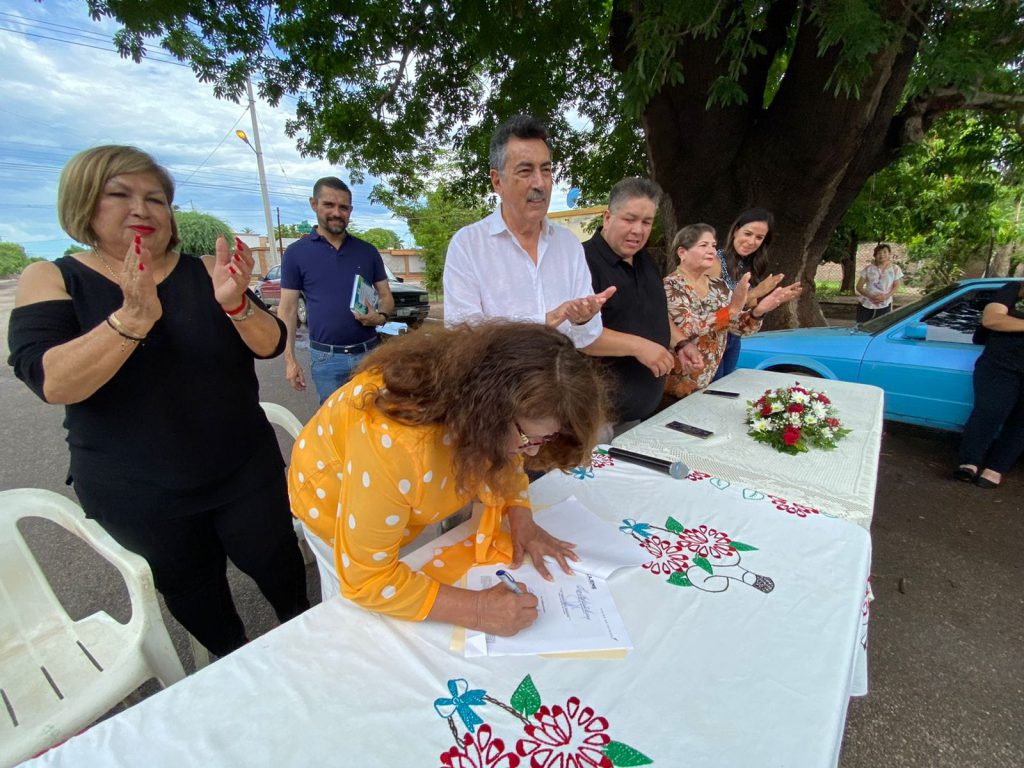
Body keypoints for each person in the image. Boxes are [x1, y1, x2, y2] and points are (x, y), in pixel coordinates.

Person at [7, 145, 308, 657]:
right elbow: (52, 380)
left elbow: (272, 342)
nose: (142, 209)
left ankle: (305, 644)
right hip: (139, 489)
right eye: (119, 194)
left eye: (156, 199)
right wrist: (132, 318)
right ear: (83, 204)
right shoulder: (54, 278)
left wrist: (236, 304)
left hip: (242, 467)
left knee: (280, 565)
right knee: (196, 595)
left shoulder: (203, 272)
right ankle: (232, 663)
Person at [289, 322, 609, 636]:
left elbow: (506, 456)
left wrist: (520, 513)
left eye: (545, 439)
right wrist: (478, 609)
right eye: (528, 439)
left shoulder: (479, 403)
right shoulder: (399, 445)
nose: (530, 451)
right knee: (356, 630)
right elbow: (366, 580)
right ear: (488, 414)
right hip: (330, 504)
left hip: (390, 502)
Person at [443, 115, 616, 346]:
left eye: (546, 170)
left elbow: (586, 338)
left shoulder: (568, 245)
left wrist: (583, 320)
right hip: (498, 382)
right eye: (525, 171)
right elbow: (463, 339)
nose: (540, 183)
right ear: (497, 181)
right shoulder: (468, 246)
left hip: (562, 380)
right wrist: (546, 320)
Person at [583, 177, 705, 430]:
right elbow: (578, 335)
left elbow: (654, 313)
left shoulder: (645, 260)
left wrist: (680, 341)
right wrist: (640, 347)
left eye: (646, 222)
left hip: (641, 413)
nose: (638, 230)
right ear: (608, 217)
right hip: (597, 419)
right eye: (630, 219)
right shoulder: (582, 262)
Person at [280, 176, 395, 403]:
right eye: (329, 205)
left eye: (343, 207)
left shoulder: (367, 251)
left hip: (369, 355)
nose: (337, 213)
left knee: (372, 419)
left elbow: (386, 297)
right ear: (314, 204)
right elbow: (287, 310)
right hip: (326, 359)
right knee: (333, 424)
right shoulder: (296, 253)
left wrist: (380, 317)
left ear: (350, 210)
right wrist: (290, 360)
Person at [664, 224, 802, 398]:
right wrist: (732, 310)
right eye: (703, 245)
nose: (711, 251)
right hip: (676, 386)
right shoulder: (670, 286)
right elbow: (688, 328)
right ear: (682, 253)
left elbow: (738, 327)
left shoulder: (718, 286)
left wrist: (759, 310)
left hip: (710, 378)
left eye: (713, 246)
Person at [954, 281, 1024, 490]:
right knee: (990, 411)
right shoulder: (1013, 290)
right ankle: (970, 461)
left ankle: (997, 468)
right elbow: (992, 319)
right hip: (1000, 365)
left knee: (1021, 422)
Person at [708, 208, 785, 380]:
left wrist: (773, 300)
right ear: (736, 231)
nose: (752, 242)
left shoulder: (748, 266)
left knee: (725, 387)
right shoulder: (714, 261)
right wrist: (754, 293)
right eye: (748, 233)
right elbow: (712, 314)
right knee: (711, 392)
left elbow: (750, 311)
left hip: (733, 337)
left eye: (759, 237)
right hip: (711, 339)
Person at [855, 243, 903, 323]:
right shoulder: (868, 269)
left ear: (889, 254)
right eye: (879, 253)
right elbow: (859, 287)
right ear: (875, 255)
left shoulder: (895, 269)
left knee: (881, 328)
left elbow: (896, 286)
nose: (881, 255)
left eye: (884, 252)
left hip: (884, 303)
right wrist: (870, 295)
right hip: (866, 303)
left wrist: (886, 296)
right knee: (861, 327)